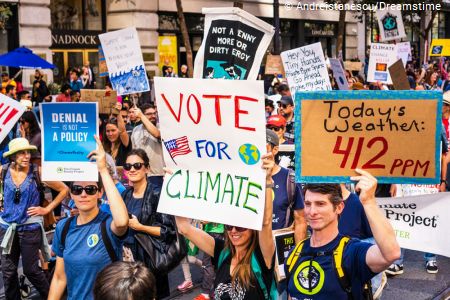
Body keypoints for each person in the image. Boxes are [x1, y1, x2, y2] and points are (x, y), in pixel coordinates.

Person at [285, 169, 401, 299]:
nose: (312, 211)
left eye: (320, 204)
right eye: (307, 204)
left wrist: (369, 202)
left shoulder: (351, 252)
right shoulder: (294, 254)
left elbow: (392, 253)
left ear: (339, 207)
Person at [175, 152, 276, 299]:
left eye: (240, 227)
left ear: (253, 228)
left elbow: (266, 222)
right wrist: (176, 188)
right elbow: (184, 228)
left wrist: (267, 181)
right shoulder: (222, 251)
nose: (233, 231)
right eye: (229, 226)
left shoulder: (261, 256)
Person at [48, 136, 129, 300]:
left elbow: (121, 222)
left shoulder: (107, 224)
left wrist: (103, 170)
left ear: (99, 193)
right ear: (71, 193)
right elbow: (59, 277)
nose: (83, 194)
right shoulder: (63, 227)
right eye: (77, 189)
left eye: (90, 189)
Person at [0, 138, 69, 300]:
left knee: (31, 270)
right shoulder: (3, 171)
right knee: (8, 272)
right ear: (12, 156)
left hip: (30, 229)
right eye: (21, 153)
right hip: (6, 228)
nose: (27, 156)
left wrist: (46, 209)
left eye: (28, 152)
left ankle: (52, 297)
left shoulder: (37, 171)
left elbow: (64, 189)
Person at [121, 149, 176, 299]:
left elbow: (167, 231)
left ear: (147, 168)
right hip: (127, 260)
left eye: (137, 165)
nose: (132, 169)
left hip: (150, 261)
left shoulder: (156, 194)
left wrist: (140, 227)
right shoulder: (125, 195)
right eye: (128, 166)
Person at [130, 105, 165, 188]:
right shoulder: (136, 129)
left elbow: (157, 134)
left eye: (154, 113)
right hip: (141, 174)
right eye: (149, 114)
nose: (153, 116)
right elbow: (134, 153)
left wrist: (141, 116)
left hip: (158, 175)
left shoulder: (161, 127)